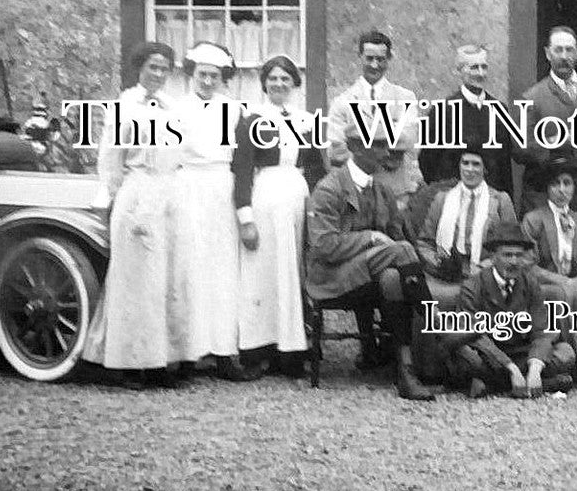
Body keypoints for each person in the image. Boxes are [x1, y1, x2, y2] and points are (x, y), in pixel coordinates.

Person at [305, 123, 435, 400]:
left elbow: (400, 237)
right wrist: (371, 237)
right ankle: (436, 328)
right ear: (354, 148)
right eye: (376, 145)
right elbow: (324, 246)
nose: (386, 152)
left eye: (385, 144)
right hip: (333, 275)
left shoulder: (382, 190)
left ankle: (405, 370)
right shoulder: (328, 189)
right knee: (399, 253)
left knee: (392, 276)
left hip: (373, 274)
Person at [83, 42, 181, 387]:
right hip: (136, 192)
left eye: (164, 69)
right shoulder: (124, 106)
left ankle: (158, 361)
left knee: (162, 279)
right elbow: (110, 157)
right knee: (134, 281)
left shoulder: (172, 107)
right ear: (139, 68)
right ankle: (129, 364)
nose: (158, 74)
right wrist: (115, 196)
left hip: (166, 193)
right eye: (152, 67)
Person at [230, 55, 327, 376]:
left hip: (297, 197)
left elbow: (315, 168)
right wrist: (245, 219)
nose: (279, 84)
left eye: (285, 79)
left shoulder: (305, 120)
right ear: (264, 83)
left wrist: (316, 209)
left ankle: (292, 352)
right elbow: (241, 171)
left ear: (294, 83)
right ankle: (257, 351)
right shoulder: (251, 119)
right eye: (273, 79)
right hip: (266, 197)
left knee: (293, 272)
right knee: (262, 274)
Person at [168, 41, 251, 379]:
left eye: (213, 76)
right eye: (201, 74)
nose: (207, 81)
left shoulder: (233, 110)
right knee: (190, 268)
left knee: (223, 270)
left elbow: (242, 160)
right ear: (191, 74)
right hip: (187, 187)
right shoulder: (175, 109)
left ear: (222, 78)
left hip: (220, 187)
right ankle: (188, 354)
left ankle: (224, 354)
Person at [443, 222, 576, 398]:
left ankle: (494, 385)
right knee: (467, 356)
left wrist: (535, 367)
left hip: (521, 353)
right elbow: (474, 336)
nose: (514, 262)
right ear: (493, 257)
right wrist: (510, 368)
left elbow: (542, 331)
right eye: (507, 255)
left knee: (566, 352)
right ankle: (538, 384)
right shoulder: (473, 285)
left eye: (518, 256)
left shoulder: (530, 283)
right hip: (488, 354)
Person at [517, 26, 577, 249]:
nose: (564, 56)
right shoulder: (532, 96)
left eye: (569, 50)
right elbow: (520, 148)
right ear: (547, 53)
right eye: (558, 50)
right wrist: (552, 141)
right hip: (550, 193)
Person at [326, 30, 421, 209]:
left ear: (389, 58)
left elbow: (409, 141)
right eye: (369, 58)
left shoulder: (405, 97)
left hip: (395, 191)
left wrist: (358, 136)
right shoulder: (343, 101)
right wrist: (390, 131)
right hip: (355, 192)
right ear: (360, 56)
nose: (375, 65)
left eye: (381, 59)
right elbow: (336, 150)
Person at [416, 148, 519, 298]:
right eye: (465, 163)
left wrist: (486, 266)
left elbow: (512, 245)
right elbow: (424, 243)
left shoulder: (500, 200)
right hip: (445, 275)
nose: (470, 169)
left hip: (486, 272)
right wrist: (438, 262)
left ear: (485, 169)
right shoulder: (442, 199)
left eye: (476, 164)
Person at [418, 44, 514, 193]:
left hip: (491, 200)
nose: (481, 73)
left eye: (484, 67)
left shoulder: (500, 110)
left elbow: (505, 166)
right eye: (474, 67)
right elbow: (428, 162)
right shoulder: (442, 111)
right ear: (459, 71)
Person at [520, 150, 577, 284]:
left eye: (567, 183)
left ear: (574, 187)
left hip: (574, 281)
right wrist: (561, 281)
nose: (561, 190)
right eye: (555, 184)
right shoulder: (533, 219)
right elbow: (527, 264)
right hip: (544, 284)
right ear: (547, 188)